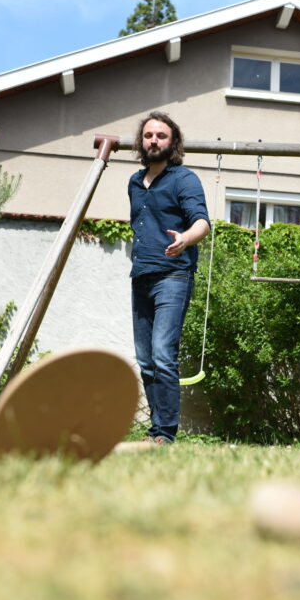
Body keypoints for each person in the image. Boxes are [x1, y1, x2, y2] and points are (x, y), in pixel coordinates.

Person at [128, 112, 210, 444]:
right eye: (148, 135)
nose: (154, 140)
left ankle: (166, 433)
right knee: (146, 360)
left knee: (163, 353)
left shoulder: (184, 179)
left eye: (161, 136)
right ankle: (155, 431)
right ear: (141, 141)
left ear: (172, 142)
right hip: (141, 276)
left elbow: (202, 222)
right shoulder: (134, 182)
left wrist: (185, 239)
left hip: (174, 276)